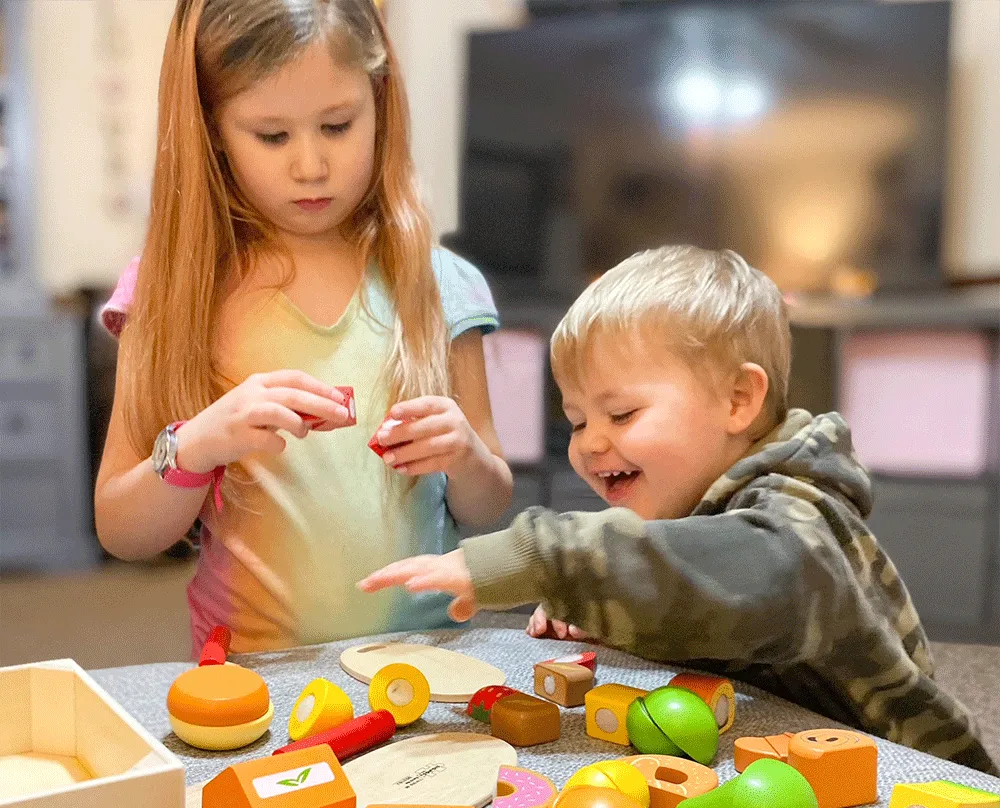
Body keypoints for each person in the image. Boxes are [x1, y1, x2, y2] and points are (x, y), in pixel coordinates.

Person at [359, 245, 996, 773]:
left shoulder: (800, 515)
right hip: (776, 762)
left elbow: (751, 582)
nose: (590, 443)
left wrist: (551, 562)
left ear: (739, 400)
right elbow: (694, 602)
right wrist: (608, 605)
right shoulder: (685, 505)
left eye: (622, 413)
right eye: (578, 421)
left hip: (913, 786)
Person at [95, 0, 512, 655]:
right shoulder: (173, 291)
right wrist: (199, 444)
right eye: (272, 135)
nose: (311, 166)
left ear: (380, 103)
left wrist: (466, 456)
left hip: (426, 666)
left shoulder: (441, 284)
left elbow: (489, 507)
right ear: (212, 129)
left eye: (338, 125)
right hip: (255, 678)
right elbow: (121, 530)